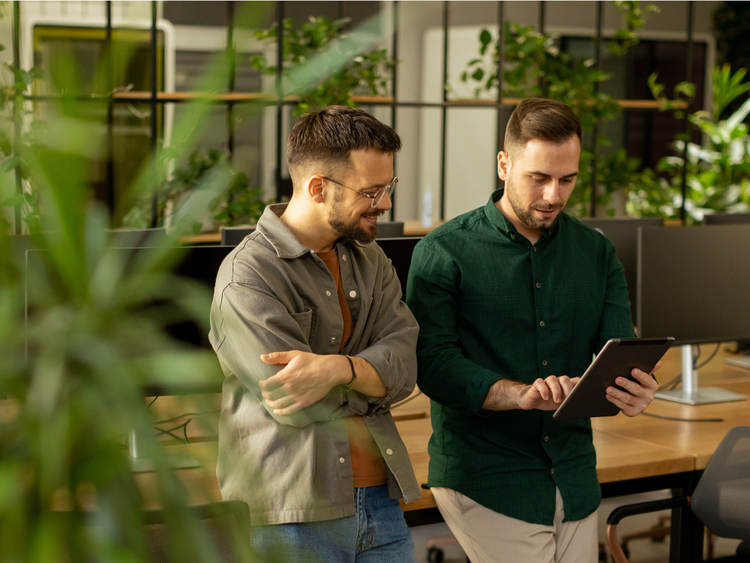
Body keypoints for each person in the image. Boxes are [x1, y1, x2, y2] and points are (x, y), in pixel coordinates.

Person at [406, 98, 658, 563]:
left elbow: (616, 351)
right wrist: (519, 395)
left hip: (575, 472)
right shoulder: (444, 252)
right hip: (487, 474)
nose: (553, 196)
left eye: (567, 180)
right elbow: (433, 366)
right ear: (504, 164)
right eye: (538, 178)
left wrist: (632, 389)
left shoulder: (596, 253)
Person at [209, 105, 420, 563]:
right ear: (318, 188)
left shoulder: (372, 261)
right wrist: (370, 376)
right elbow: (295, 403)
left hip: (383, 503)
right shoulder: (246, 277)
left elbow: (406, 367)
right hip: (291, 516)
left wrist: (338, 369)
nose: (385, 202)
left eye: (388, 187)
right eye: (372, 191)